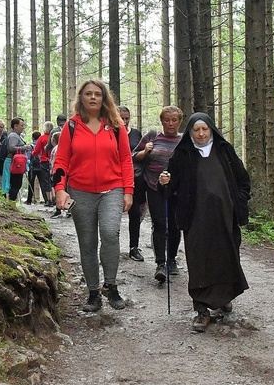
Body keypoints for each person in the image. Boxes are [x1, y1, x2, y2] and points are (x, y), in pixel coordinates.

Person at [158, 112, 251, 333]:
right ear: (190, 132)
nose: (201, 134)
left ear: (211, 130)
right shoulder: (182, 154)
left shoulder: (224, 150)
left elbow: (242, 179)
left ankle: (223, 297)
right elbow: (170, 189)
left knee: (226, 256)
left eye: (204, 129)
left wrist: (238, 200)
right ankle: (201, 309)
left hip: (224, 217)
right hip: (195, 218)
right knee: (199, 261)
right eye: (196, 130)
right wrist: (164, 182)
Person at [52, 79, 134, 312]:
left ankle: (111, 285)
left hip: (112, 190)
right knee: (87, 243)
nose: (93, 98)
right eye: (88, 94)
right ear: (81, 98)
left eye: (97, 94)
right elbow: (61, 161)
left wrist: (128, 190)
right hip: (80, 191)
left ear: (104, 97)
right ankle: (94, 292)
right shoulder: (72, 126)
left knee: (110, 233)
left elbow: (126, 160)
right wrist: (60, 188)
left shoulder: (116, 125)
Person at [132, 105, 183, 282]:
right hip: (153, 187)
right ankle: (160, 263)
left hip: (177, 191)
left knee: (176, 225)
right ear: (161, 121)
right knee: (160, 224)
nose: (170, 123)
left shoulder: (185, 140)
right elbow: (133, 156)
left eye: (174, 120)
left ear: (179, 122)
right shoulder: (152, 136)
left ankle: (172, 260)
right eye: (167, 120)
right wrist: (146, 151)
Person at [119, 106, 145, 262]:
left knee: (135, 212)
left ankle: (133, 247)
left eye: (127, 118)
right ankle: (111, 247)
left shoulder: (136, 134)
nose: (124, 121)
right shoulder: (110, 133)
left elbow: (141, 153)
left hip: (136, 178)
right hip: (115, 179)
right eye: (121, 117)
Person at [6, 117, 32, 201]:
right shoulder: (13, 136)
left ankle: (12, 202)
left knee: (17, 184)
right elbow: (11, 148)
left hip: (18, 164)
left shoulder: (16, 136)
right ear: (15, 126)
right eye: (21, 125)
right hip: (15, 164)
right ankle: (11, 203)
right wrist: (24, 147)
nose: (23, 127)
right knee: (16, 183)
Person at [30, 121, 53, 206]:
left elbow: (36, 151)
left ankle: (48, 200)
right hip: (54, 161)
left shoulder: (42, 138)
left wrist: (32, 153)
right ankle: (54, 198)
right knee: (53, 181)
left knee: (46, 181)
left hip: (44, 161)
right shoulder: (54, 137)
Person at [48, 131, 64, 218]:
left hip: (56, 172)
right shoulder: (63, 147)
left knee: (57, 189)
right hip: (64, 172)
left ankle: (58, 209)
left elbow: (52, 161)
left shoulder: (55, 149)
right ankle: (69, 209)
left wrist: (51, 172)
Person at [25, 130, 42, 205]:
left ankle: (29, 200)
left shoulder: (31, 146)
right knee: (43, 183)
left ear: (32, 138)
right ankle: (47, 199)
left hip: (32, 167)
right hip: (41, 166)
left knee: (31, 183)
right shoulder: (42, 144)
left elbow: (28, 157)